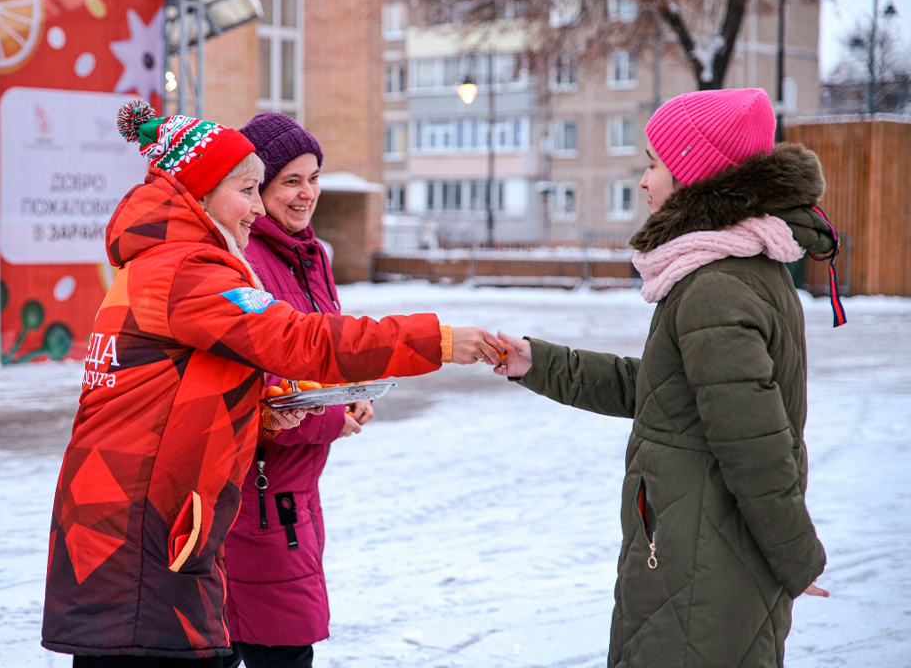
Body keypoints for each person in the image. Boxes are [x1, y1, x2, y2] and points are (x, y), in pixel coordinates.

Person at [41, 100, 503, 666]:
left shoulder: (172, 263)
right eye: (247, 189)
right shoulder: (188, 271)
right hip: (139, 527)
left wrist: (259, 412)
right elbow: (300, 339)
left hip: (139, 519)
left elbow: (169, 392)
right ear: (201, 191)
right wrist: (435, 340)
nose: (258, 208)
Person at [495, 88, 834, 668]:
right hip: (693, 544)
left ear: (693, 175)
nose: (645, 180)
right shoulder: (727, 270)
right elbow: (660, 392)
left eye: (653, 163)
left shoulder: (718, 284)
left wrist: (795, 558)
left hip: (700, 559)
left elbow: (755, 446)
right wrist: (537, 361)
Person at [219, 113, 367, 668]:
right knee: (275, 645)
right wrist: (333, 415)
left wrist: (351, 391)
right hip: (257, 494)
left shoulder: (311, 254)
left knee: (266, 638)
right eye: (290, 181)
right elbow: (261, 382)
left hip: (294, 490)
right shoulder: (246, 261)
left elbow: (323, 349)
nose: (307, 194)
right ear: (257, 188)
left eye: (314, 178)